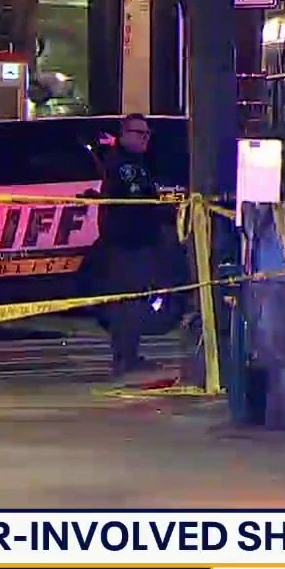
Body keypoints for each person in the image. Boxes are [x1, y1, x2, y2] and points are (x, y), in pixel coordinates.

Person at [99, 113, 166, 378]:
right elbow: (135, 202)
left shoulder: (139, 163)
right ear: (124, 135)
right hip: (127, 242)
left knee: (136, 300)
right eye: (139, 133)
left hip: (140, 240)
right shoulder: (122, 166)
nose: (145, 138)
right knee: (127, 301)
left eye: (147, 134)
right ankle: (124, 357)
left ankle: (129, 354)